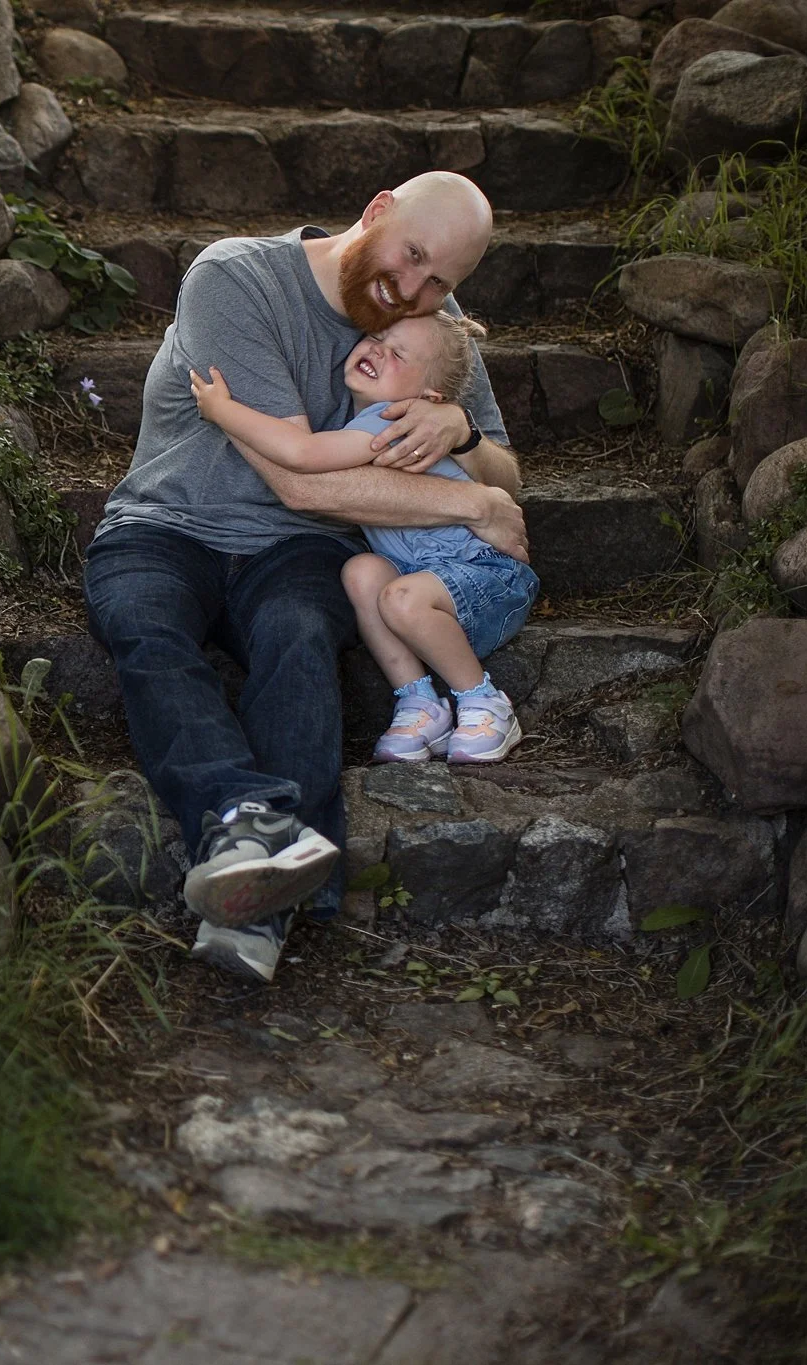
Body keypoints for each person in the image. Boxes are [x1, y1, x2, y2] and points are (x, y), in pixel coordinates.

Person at [82, 170, 528, 984]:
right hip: (163, 526)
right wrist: (469, 508)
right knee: (147, 631)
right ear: (375, 209)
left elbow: (507, 473)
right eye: (414, 256)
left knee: (299, 636)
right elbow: (299, 476)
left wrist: (462, 431)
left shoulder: (434, 322)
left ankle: (265, 904)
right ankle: (242, 818)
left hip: (295, 547)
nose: (414, 290)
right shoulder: (236, 278)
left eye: (442, 282)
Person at [188, 310, 539, 766]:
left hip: (487, 578)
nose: (376, 350)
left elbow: (303, 453)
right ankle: (419, 703)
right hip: (425, 580)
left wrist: (223, 411)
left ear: (428, 398)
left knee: (401, 597)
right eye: (375, 337)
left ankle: (483, 699)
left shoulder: (389, 421)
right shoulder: (365, 424)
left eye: (397, 354)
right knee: (360, 570)